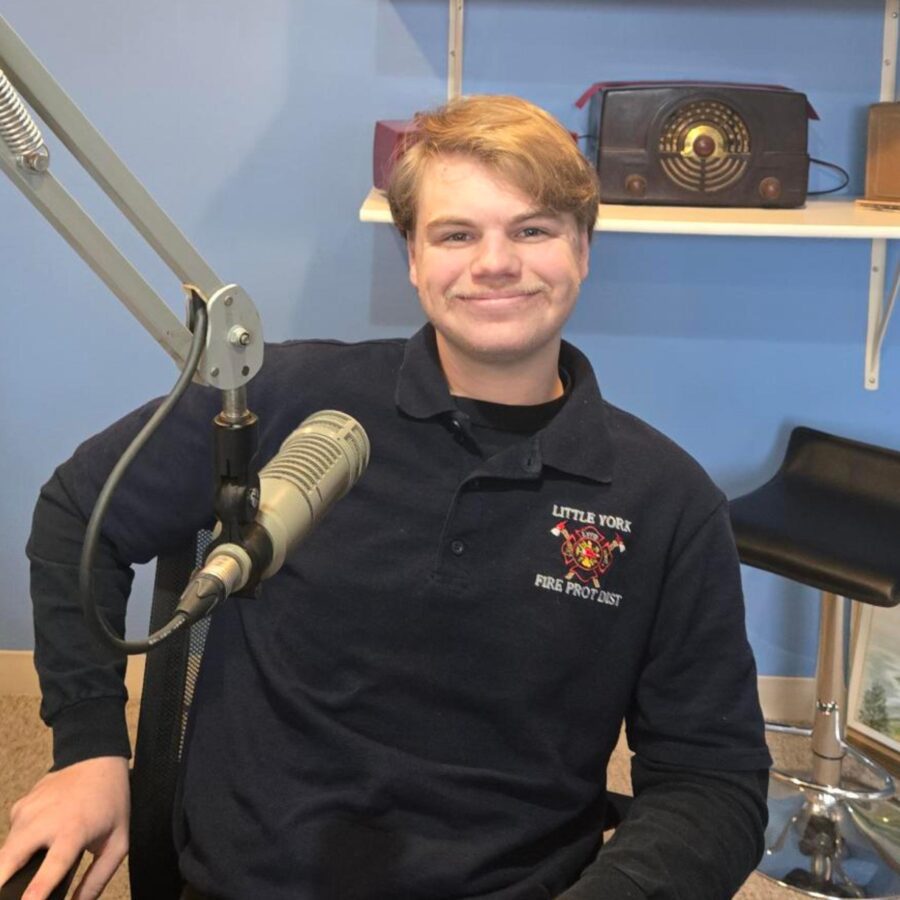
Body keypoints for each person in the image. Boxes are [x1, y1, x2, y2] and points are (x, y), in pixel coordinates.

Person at [0, 95, 771, 900]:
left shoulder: (667, 501)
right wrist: (87, 749)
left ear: (583, 247)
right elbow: (78, 513)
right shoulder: (283, 401)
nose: (494, 262)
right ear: (413, 256)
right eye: (456, 234)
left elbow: (712, 783)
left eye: (532, 230)